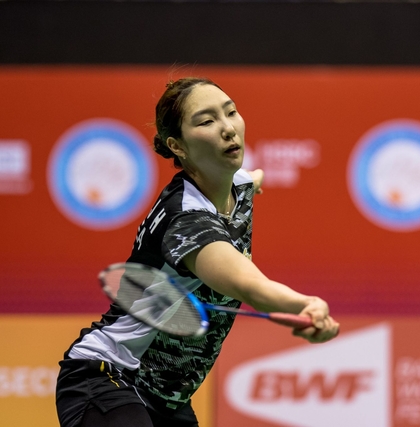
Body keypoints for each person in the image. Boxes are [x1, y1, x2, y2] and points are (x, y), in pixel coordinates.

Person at [55, 77, 340, 427]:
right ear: (178, 146)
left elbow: (252, 178)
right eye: (206, 121)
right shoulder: (187, 222)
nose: (227, 128)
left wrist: (256, 182)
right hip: (108, 375)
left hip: (168, 400)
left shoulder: (237, 185)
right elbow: (250, 286)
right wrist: (305, 304)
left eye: (231, 112)